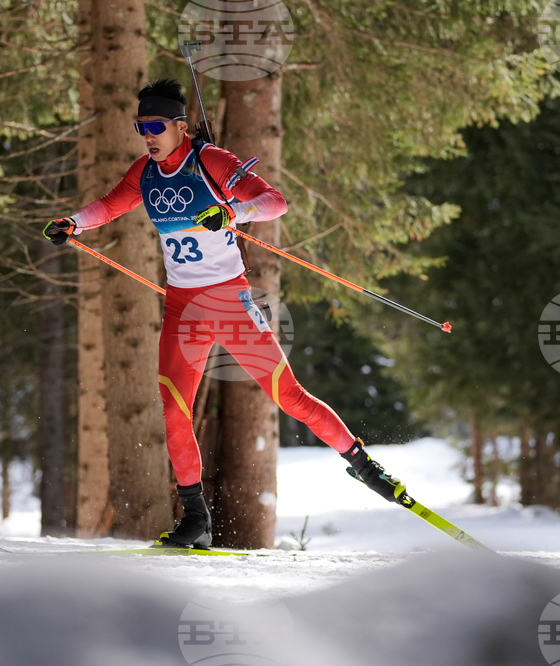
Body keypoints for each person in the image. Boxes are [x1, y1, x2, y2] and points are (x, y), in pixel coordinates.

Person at [44, 78, 406, 548]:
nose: (148, 136)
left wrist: (232, 211)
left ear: (179, 126)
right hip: (182, 308)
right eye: (140, 128)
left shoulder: (211, 160)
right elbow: (111, 205)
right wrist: (74, 221)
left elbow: (275, 203)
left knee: (288, 396)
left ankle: (363, 464)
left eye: (156, 126)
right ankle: (195, 516)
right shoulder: (145, 173)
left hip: (228, 302)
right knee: (174, 410)